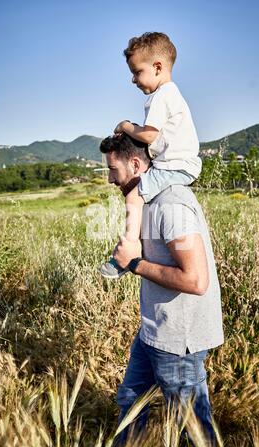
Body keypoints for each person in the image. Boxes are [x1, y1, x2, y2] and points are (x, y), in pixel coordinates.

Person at [99, 133, 224, 447]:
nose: (111, 180)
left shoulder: (171, 205)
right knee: (130, 399)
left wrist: (135, 264)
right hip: (154, 330)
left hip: (178, 340)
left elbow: (196, 280)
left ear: (137, 164)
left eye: (114, 170)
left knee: (191, 425)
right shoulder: (147, 202)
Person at [99, 32, 202, 279]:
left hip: (175, 166)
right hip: (179, 164)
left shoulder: (162, 95)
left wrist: (125, 125)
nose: (133, 80)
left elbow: (149, 137)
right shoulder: (171, 94)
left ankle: (127, 253)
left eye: (136, 72)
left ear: (157, 67)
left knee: (134, 197)